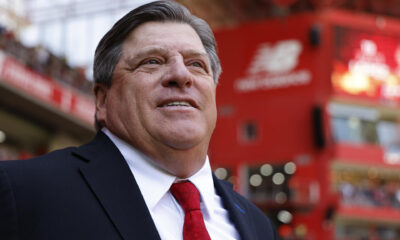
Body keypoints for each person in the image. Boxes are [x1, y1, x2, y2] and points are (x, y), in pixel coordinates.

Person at [0, 1, 279, 239]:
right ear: (102, 99)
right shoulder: (21, 193)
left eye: (197, 64)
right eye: (152, 61)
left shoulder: (258, 225)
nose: (181, 75)